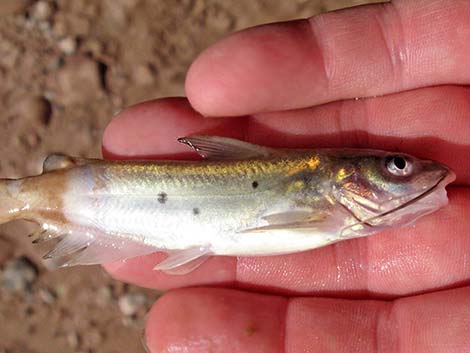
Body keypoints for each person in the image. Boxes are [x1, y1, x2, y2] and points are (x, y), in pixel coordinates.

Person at [102, 0, 470, 352]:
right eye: (398, 167)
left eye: (400, 166)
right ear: (345, 178)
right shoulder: (327, 201)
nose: (417, 173)